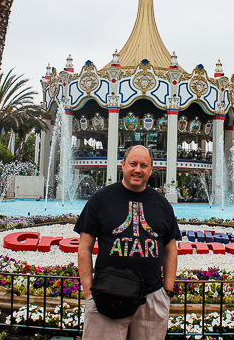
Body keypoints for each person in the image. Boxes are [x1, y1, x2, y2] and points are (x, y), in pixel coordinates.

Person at [75, 145, 180, 340]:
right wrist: (88, 292)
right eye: (133, 164)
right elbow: (84, 247)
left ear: (151, 169)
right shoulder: (100, 200)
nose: (138, 170)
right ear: (123, 165)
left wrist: (167, 292)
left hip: (151, 298)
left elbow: (170, 250)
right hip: (107, 296)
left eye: (143, 165)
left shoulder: (163, 204)